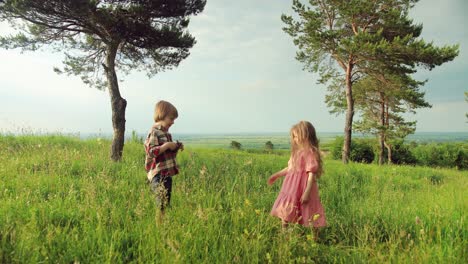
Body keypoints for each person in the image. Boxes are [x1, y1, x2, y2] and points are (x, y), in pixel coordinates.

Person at [268, 121, 326, 238]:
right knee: (286, 207)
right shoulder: (296, 152)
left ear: (305, 135)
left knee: (309, 210)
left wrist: (307, 192)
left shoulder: (310, 153)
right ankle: (285, 233)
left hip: (304, 187)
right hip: (290, 187)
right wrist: (276, 175)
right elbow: (290, 168)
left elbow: (311, 175)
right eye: (293, 136)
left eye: (296, 136)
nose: (294, 139)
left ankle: (315, 236)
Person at [144, 100, 183, 219]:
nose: (173, 122)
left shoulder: (166, 133)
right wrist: (166, 146)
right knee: (160, 203)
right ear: (162, 115)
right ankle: (159, 227)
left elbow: (168, 154)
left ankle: (163, 224)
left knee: (165, 203)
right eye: (171, 119)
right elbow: (151, 152)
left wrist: (175, 147)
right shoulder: (154, 132)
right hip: (158, 173)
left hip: (166, 172)